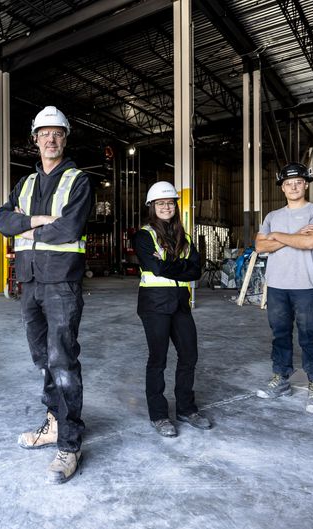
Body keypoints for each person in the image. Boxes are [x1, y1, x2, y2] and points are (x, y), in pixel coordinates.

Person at [0, 106, 93, 484]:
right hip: (29, 282)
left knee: (63, 360)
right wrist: (38, 221)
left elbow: (69, 228)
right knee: (43, 360)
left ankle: (69, 445)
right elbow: (3, 221)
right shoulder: (24, 184)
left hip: (62, 284)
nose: (50, 139)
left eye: (57, 133)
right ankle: (54, 421)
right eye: (44, 134)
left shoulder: (78, 180)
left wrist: (25, 228)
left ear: (65, 138)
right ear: (35, 139)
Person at [134, 181, 211, 438]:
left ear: (175, 206)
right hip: (154, 304)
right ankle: (158, 415)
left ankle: (186, 409)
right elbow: (156, 269)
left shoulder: (184, 236)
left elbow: (196, 270)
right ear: (152, 207)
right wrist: (179, 265)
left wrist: (168, 263)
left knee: (189, 355)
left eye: (170, 203)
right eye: (161, 203)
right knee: (158, 360)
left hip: (179, 302)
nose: (166, 207)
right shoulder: (144, 235)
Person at [255, 162, 313, 415]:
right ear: (282, 188)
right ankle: (281, 378)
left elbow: (310, 242)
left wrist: (276, 236)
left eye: (298, 182)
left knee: (309, 336)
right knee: (280, 334)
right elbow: (259, 248)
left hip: (307, 285)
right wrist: (293, 235)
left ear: (306, 184)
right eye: (288, 183)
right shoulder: (272, 217)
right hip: (277, 285)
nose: (294, 186)